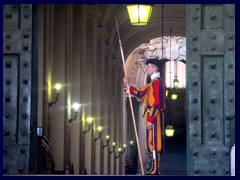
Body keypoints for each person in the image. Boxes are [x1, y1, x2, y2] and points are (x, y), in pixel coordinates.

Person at [123, 58, 167, 175]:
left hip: (155, 117)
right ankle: (153, 167)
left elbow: (157, 103)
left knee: (155, 142)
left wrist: (150, 119)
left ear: (154, 68)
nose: (147, 68)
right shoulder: (152, 84)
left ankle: (155, 169)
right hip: (152, 116)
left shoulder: (157, 83)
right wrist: (128, 85)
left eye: (148, 66)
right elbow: (141, 93)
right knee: (151, 142)